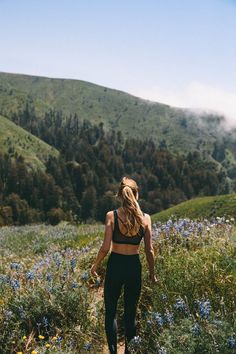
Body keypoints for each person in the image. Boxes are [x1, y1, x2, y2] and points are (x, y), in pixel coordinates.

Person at [90, 176, 157, 354]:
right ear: (137, 194)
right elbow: (149, 250)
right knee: (130, 314)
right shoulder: (146, 219)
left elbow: (105, 247)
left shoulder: (111, 216)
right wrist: (152, 273)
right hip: (134, 266)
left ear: (120, 194)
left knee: (110, 311)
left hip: (116, 264)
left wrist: (95, 266)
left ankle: (113, 352)